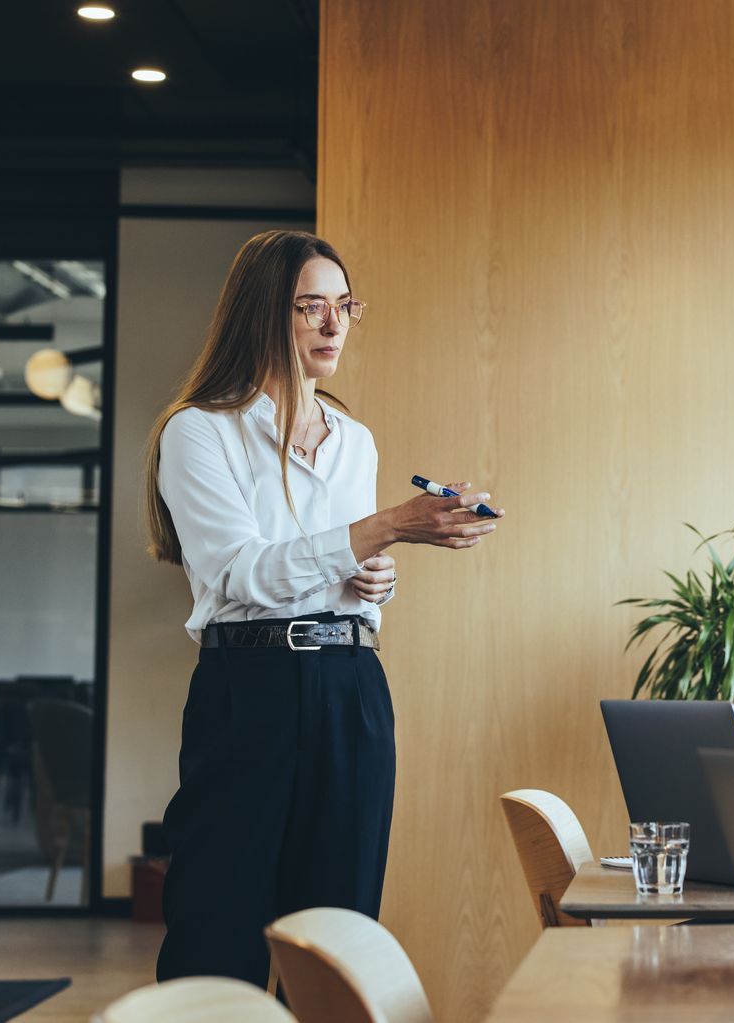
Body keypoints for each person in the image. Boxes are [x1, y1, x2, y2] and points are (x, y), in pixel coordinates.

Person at [144, 230, 504, 986]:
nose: (334, 325)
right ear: (263, 313)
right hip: (249, 694)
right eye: (312, 307)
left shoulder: (355, 441)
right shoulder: (199, 430)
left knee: (340, 938)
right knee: (218, 927)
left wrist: (376, 580)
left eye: (345, 306)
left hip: (351, 688)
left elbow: (339, 568)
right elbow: (240, 571)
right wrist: (388, 527)